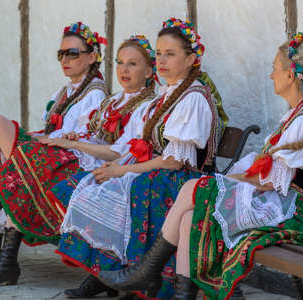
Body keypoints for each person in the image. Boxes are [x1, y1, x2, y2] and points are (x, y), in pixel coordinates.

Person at [99, 33, 303, 300]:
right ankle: (181, 291)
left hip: (296, 216)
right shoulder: (298, 115)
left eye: (275, 69)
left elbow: (271, 181)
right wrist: (233, 180)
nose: (271, 76)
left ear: (291, 76)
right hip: (280, 203)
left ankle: (147, 270)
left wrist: (232, 181)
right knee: (188, 214)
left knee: (195, 188)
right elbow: (271, 175)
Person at [0, 33, 159, 289]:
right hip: (76, 157)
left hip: (99, 170)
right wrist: (73, 137)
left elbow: (119, 152)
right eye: (120, 62)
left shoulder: (140, 105)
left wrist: (73, 142)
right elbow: (94, 135)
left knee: (19, 158)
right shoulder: (112, 100)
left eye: (133, 64)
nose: (124, 69)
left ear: (149, 70)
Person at [50, 18, 227, 299]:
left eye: (170, 54)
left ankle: (144, 277)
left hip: (186, 179)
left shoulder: (192, 97)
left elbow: (174, 161)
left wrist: (122, 172)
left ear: (191, 58)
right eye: (159, 54)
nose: (162, 60)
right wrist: (119, 166)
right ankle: (106, 273)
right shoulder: (169, 94)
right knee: (82, 185)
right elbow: (146, 147)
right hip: (165, 173)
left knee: (138, 187)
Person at [0, 22, 107, 274]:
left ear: (92, 57)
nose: (65, 60)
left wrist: (57, 138)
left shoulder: (95, 95)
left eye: (73, 53)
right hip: (50, 157)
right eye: (61, 54)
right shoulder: (65, 92)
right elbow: (51, 132)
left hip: (67, 168)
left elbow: (86, 141)